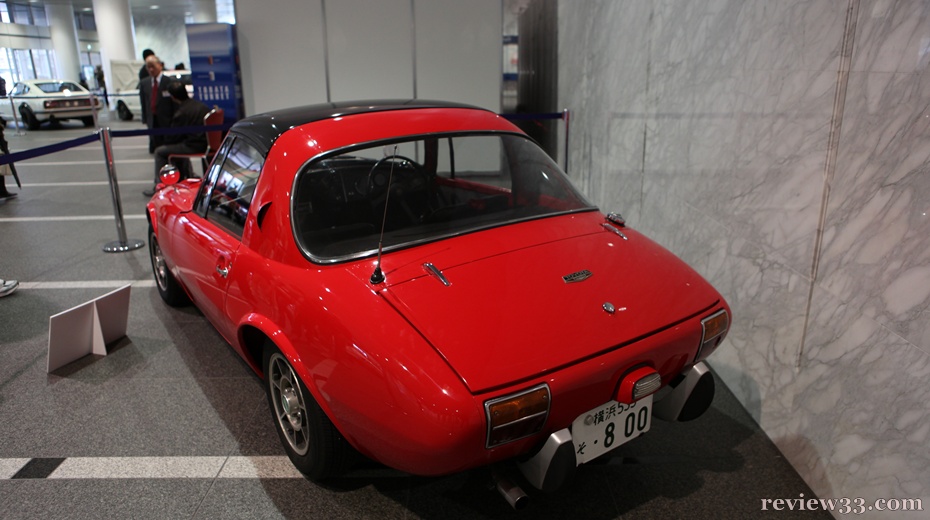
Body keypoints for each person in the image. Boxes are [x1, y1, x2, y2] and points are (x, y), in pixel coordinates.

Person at [146, 80, 210, 196]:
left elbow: (172, 137)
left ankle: (160, 186)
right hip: (205, 143)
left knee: (160, 151)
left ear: (173, 97)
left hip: (193, 146)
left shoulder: (181, 112)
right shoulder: (201, 107)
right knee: (176, 147)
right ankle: (184, 175)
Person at [139, 55, 175, 160]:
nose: (150, 69)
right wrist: (145, 118)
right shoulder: (144, 83)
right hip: (152, 119)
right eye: (148, 67)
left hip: (166, 120)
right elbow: (144, 103)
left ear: (160, 66)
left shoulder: (168, 82)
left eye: (153, 66)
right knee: (156, 147)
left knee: (167, 147)